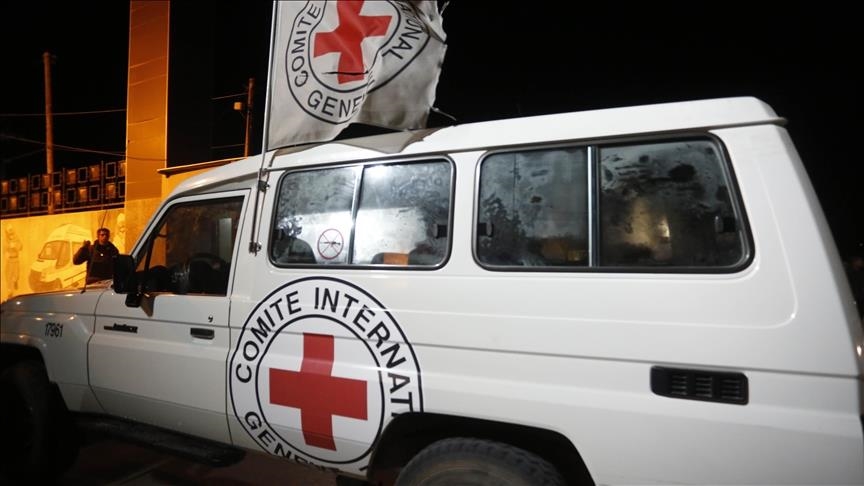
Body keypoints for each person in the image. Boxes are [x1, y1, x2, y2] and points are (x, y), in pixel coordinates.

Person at [4, 225, 23, 299]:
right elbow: (4, 249)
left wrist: (15, 246)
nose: (10, 234)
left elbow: (21, 247)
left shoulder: (17, 239)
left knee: (16, 274)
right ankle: (10, 292)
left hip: (16, 259)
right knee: (8, 276)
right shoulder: (6, 240)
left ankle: (15, 281)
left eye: (11, 231)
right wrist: (6, 253)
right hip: (9, 261)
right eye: (8, 232)